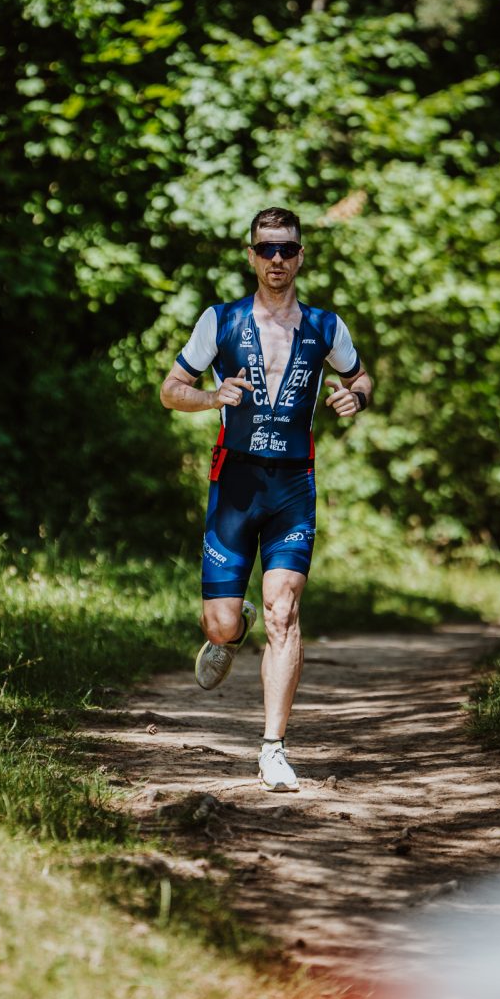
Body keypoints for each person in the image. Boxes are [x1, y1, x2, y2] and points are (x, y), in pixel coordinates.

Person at [160, 207, 373, 792]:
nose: (277, 259)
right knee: (221, 624)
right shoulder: (221, 320)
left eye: (287, 249)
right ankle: (233, 629)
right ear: (251, 255)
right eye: (267, 248)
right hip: (234, 485)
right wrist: (212, 398)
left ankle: (273, 749)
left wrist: (356, 397)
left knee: (285, 611)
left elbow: (360, 377)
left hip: (292, 487)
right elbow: (170, 390)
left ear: (301, 256)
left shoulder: (326, 326)